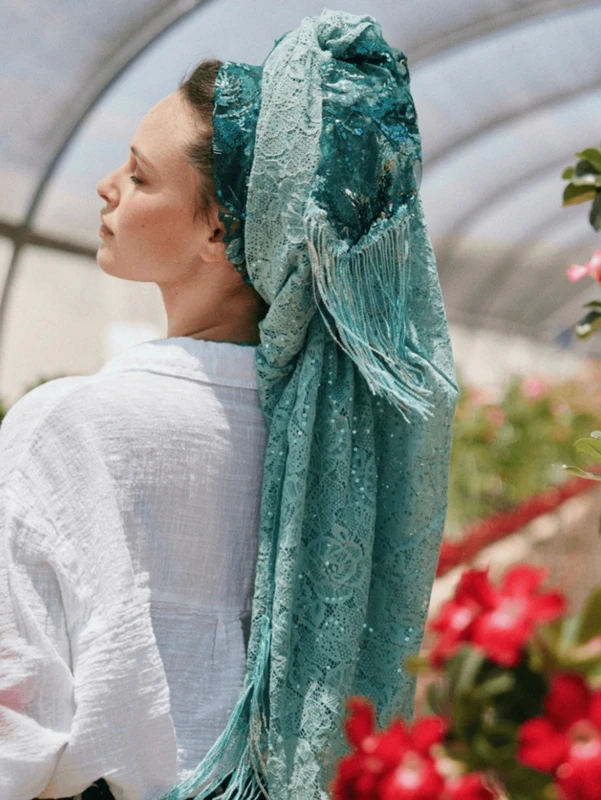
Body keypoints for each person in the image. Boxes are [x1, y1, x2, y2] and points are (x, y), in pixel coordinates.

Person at [0, 9, 458, 800]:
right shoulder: (344, 438)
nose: (107, 186)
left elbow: (16, 714)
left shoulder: (68, 427)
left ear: (220, 230)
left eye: (140, 176)